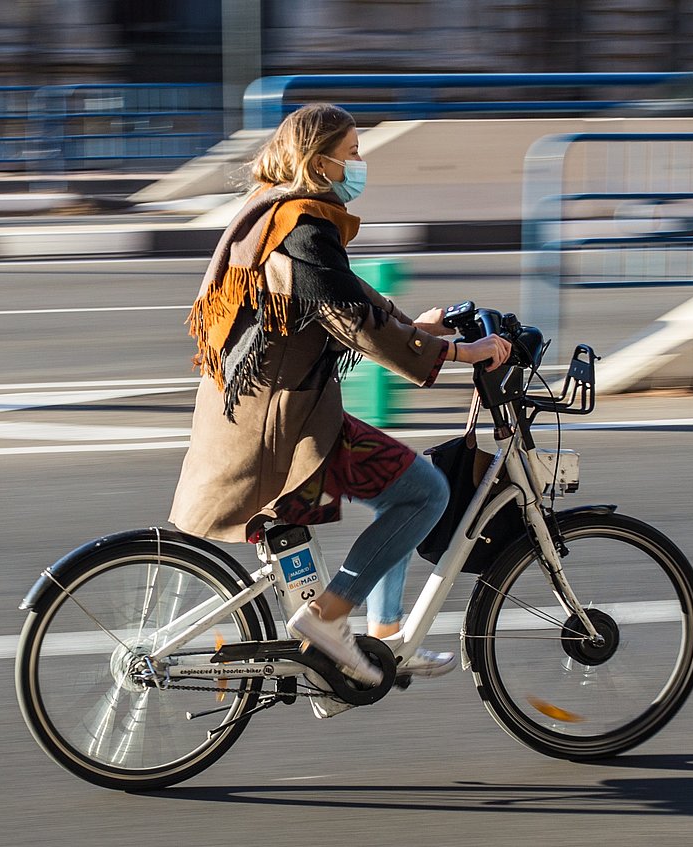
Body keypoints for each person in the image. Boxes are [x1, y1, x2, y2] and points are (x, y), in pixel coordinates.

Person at [169, 103, 511, 697]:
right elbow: (351, 319)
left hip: (268, 410)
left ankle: (385, 635)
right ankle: (327, 618)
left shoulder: (275, 209)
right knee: (427, 492)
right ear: (320, 160)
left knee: (407, 485)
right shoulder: (304, 225)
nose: (360, 163)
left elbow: (347, 291)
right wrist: (459, 354)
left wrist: (418, 327)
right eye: (351, 151)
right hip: (281, 424)